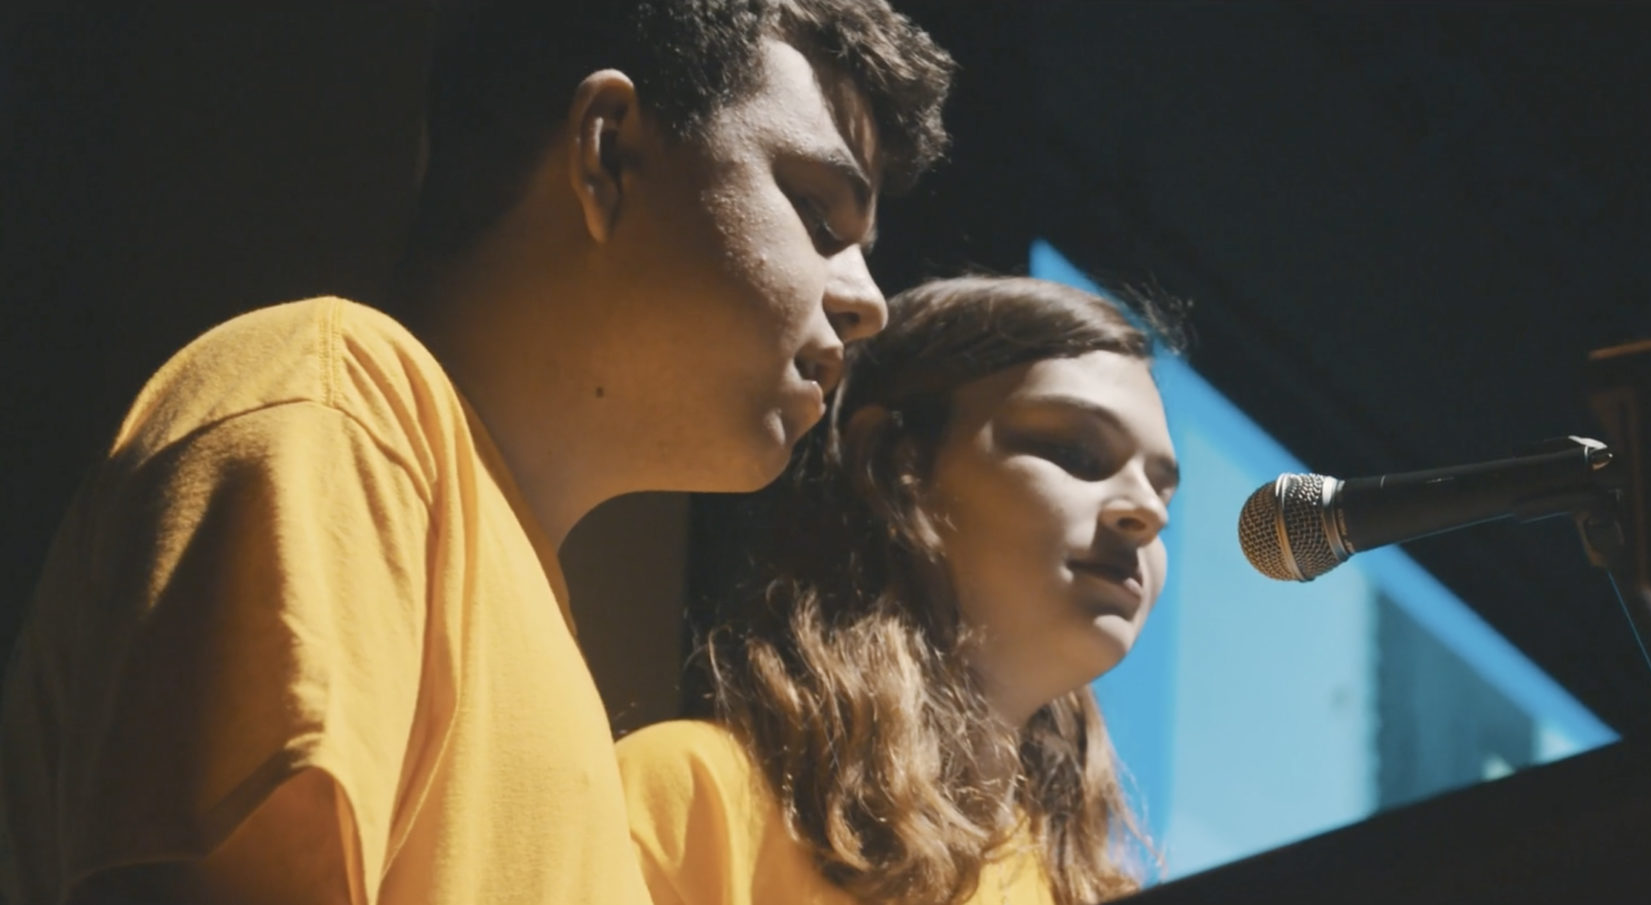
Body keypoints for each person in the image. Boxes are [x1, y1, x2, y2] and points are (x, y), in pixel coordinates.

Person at [0, 2, 952, 903]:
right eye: (821, 215)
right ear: (608, 153)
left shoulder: (534, 614)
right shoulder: (342, 404)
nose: (868, 299)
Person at [616, 275, 1183, 905]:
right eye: (1075, 451)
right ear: (897, 462)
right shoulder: (694, 802)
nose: (1147, 514)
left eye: (1163, 493)